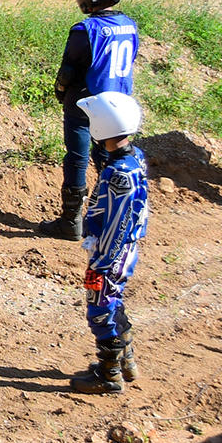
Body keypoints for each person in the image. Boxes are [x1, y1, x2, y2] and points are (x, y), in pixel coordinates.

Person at [43, 0, 139, 241]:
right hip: (118, 105)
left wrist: (60, 91)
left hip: (85, 103)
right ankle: (109, 213)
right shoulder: (129, 24)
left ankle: (70, 221)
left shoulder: (85, 29)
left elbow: (68, 71)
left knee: (77, 158)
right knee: (109, 157)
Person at [70, 92, 150, 394]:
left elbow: (117, 222)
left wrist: (103, 260)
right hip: (125, 247)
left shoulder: (118, 173)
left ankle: (109, 374)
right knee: (113, 302)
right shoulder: (134, 158)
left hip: (112, 250)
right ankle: (126, 360)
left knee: (100, 308)